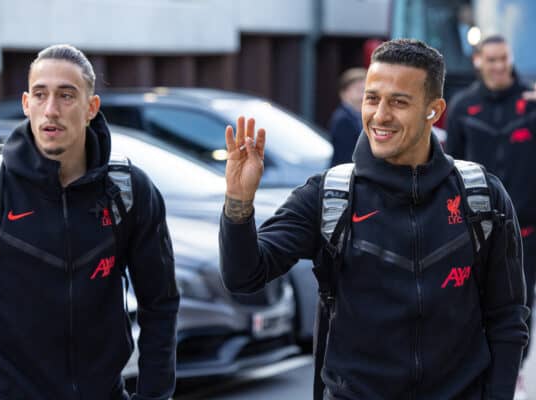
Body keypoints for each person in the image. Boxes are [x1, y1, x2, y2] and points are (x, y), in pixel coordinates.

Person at [220, 39, 529, 399]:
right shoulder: (329, 195)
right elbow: (244, 277)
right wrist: (238, 204)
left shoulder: (482, 195)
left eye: (399, 101)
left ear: (434, 110)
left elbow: (507, 318)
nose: (380, 115)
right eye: (371, 98)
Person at [0, 44, 179, 400]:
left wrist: (155, 396)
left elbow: (160, 304)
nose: (51, 109)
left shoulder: (128, 191)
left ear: (91, 108)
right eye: (40, 94)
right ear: (26, 104)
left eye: (67, 95)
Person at [446, 34, 535, 399]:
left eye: (505, 59)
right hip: (477, 230)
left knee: (519, 311)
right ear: (479, 61)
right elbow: (449, 168)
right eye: (492, 59)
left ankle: (509, 378)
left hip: (528, 233)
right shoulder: (463, 107)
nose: (500, 66)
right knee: (473, 306)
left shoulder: (531, 103)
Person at [327, 67, 366, 166]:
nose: (363, 95)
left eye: (366, 90)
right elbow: (345, 156)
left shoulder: (358, 116)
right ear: (344, 93)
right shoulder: (343, 119)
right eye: (359, 90)